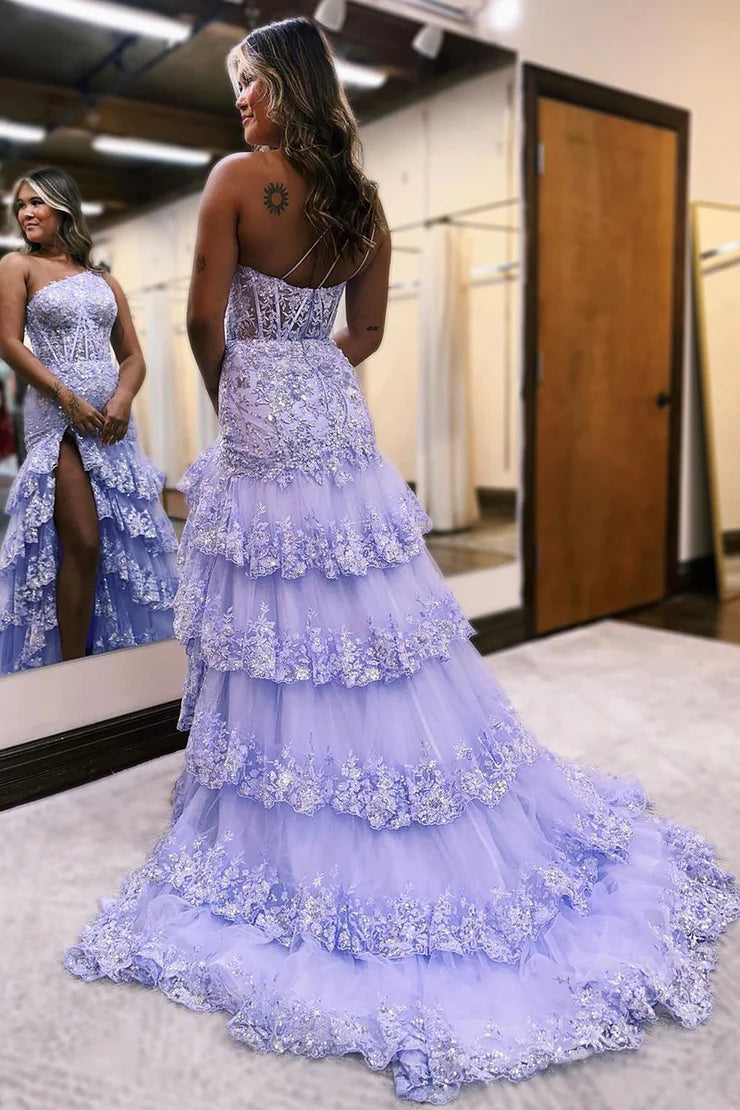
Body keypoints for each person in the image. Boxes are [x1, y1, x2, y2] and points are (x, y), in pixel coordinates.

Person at [63, 17, 740, 1104]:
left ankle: (288, 809)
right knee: (361, 609)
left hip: (260, 406)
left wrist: (245, 388)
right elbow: (367, 335)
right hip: (331, 409)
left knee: (272, 609)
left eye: (250, 85)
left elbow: (198, 319)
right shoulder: (365, 204)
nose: (239, 103)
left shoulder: (236, 180)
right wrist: (310, 375)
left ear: (287, 86)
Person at [0, 168, 178, 672]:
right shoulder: (17, 265)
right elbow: (8, 342)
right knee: (83, 540)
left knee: (120, 540)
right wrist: (67, 397)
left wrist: (123, 398)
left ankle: (113, 661)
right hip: (56, 421)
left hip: (110, 425)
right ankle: (71, 673)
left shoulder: (104, 281)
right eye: (20, 206)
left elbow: (133, 356)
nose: (26, 213)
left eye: (36, 202)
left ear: (63, 207)